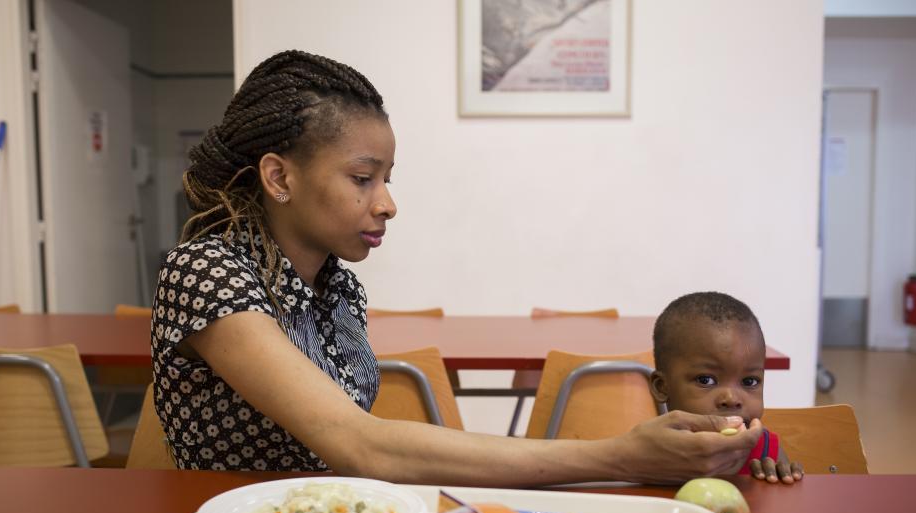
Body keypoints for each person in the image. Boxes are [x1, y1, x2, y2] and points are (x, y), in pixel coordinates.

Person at [151, 49, 763, 485]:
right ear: (280, 176)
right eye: (363, 179)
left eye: (387, 180)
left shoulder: (337, 288)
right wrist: (621, 456)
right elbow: (359, 445)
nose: (387, 203)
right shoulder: (205, 274)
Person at [649, 292, 805, 484]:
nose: (731, 398)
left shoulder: (766, 451)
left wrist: (779, 479)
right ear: (662, 387)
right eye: (706, 380)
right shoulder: (653, 453)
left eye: (749, 382)